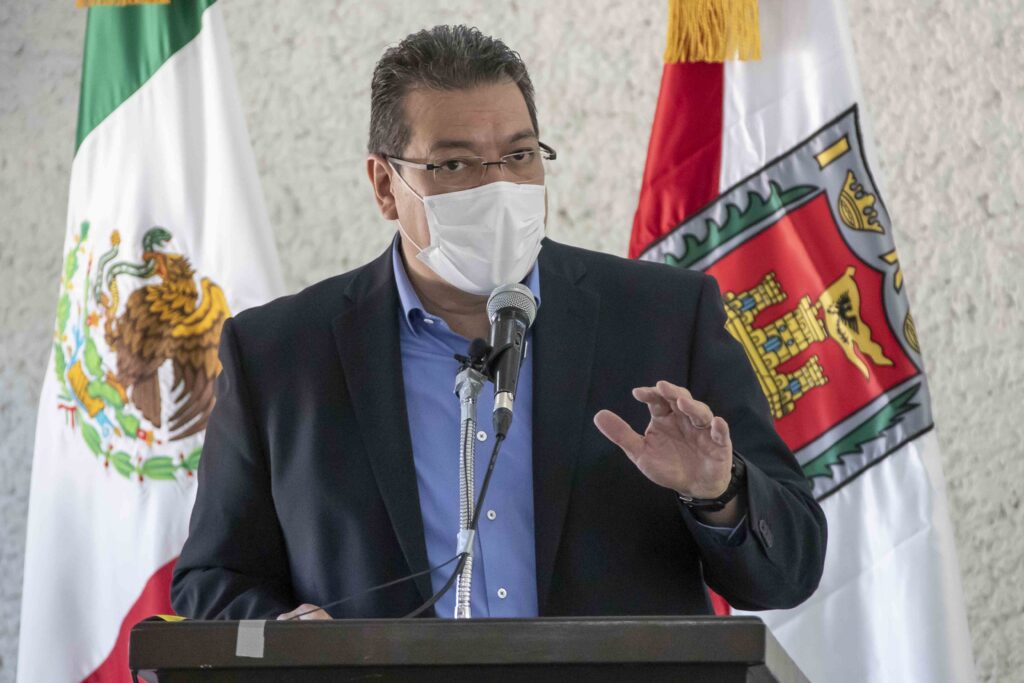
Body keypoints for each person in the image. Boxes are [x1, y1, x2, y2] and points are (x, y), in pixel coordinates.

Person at [171, 25, 826, 621]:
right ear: (384, 185)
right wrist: (283, 638)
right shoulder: (279, 355)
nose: (498, 188)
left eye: (518, 156)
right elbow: (213, 580)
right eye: (454, 164)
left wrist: (719, 492)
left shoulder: (664, 318)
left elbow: (790, 571)